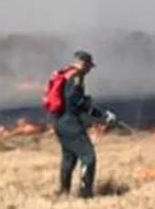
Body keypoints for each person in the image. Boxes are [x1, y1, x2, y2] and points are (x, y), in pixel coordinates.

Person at [44, 50, 118, 198]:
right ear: (83, 63)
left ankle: (63, 191)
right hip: (70, 122)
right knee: (88, 156)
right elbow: (76, 102)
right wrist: (102, 116)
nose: (90, 69)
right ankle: (85, 193)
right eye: (89, 66)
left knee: (69, 157)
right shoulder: (77, 77)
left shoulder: (65, 75)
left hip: (59, 122)